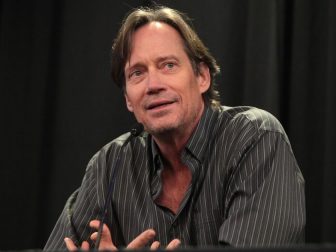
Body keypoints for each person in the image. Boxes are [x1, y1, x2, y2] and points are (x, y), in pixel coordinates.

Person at [44, 6, 305, 250]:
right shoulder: (109, 165)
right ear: (128, 100)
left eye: (168, 65)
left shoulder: (255, 137)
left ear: (202, 76)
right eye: (137, 73)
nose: (153, 84)